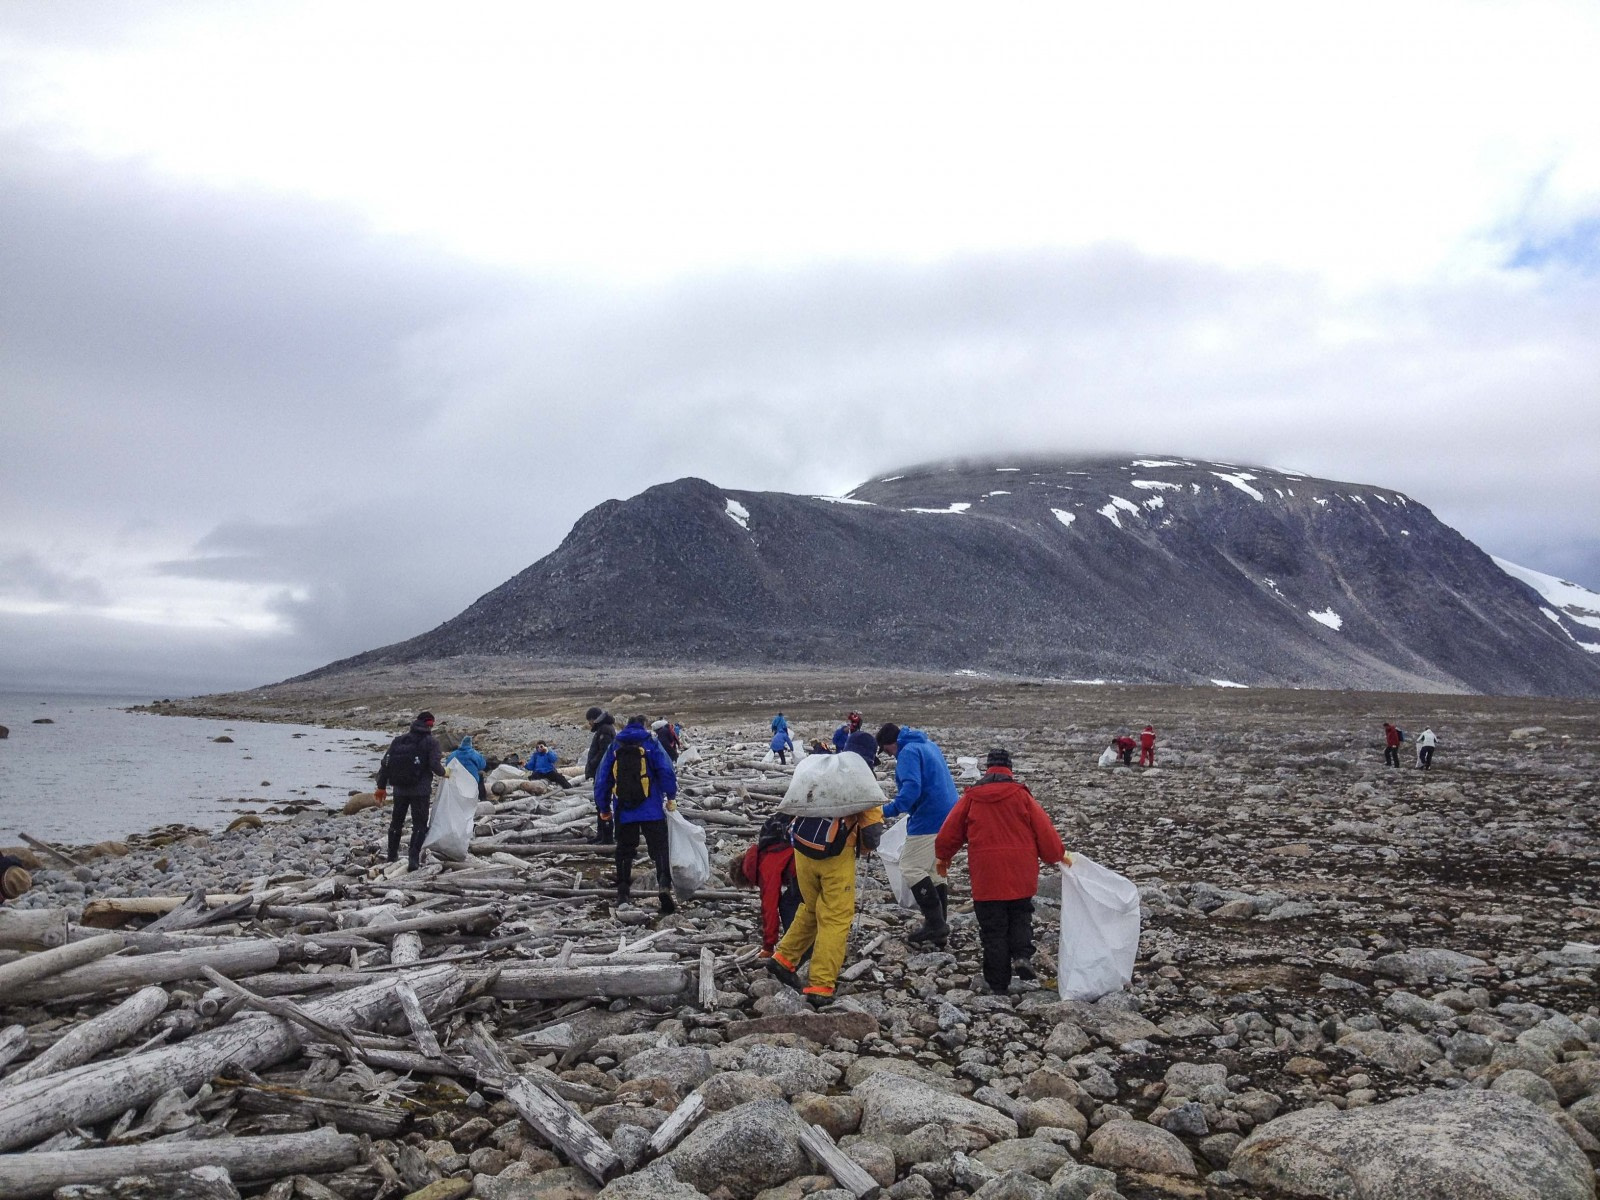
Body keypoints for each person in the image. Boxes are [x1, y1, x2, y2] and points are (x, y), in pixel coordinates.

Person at [935, 747, 1068, 994]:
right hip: (1020, 873)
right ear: (1010, 769)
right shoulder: (1022, 796)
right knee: (1020, 915)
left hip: (987, 876)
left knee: (993, 929)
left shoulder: (972, 798)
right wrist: (1057, 856)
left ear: (987, 769)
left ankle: (998, 985)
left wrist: (943, 857)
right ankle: (1021, 955)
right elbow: (1045, 832)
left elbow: (948, 833)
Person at [766, 754, 884, 1006]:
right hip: (835, 857)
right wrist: (863, 848)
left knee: (810, 907)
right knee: (835, 918)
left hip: (803, 852)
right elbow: (873, 833)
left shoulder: (818, 775)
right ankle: (820, 985)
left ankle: (783, 959)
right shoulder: (861, 782)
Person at [876, 721, 960, 946]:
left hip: (929, 817)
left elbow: (912, 789)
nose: (889, 755)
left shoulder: (908, 752)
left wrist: (886, 810)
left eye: (886, 750)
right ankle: (939, 927)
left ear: (890, 743)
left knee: (910, 866)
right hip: (949, 815)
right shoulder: (927, 744)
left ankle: (935, 923)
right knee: (934, 869)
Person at [594, 715, 680, 913]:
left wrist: (604, 808)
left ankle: (623, 893)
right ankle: (664, 886)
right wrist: (671, 796)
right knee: (660, 849)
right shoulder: (651, 743)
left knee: (624, 851)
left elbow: (602, 779)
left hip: (624, 810)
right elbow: (666, 770)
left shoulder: (615, 746)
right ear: (644, 725)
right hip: (652, 810)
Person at [375, 711, 447, 871]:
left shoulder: (399, 740)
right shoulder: (431, 742)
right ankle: (413, 859)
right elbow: (435, 765)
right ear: (431, 725)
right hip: (420, 790)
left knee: (396, 822)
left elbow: (386, 763)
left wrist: (381, 786)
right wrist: (445, 773)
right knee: (419, 825)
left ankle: (392, 855)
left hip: (399, 789)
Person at [731, 811, 801, 957]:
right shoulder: (767, 849)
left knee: (787, 906)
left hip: (804, 871)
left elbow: (770, 908)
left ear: (746, 878)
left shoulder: (764, 868)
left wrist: (768, 946)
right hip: (808, 861)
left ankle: (797, 949)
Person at [584, 707, 619, 844]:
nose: (589, 723)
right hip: (602, 772)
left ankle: (607, 837)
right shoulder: (605, 728)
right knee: (601, 804)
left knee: (603, 803)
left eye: (590, 720)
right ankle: (602, 834)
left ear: (595, 719)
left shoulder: (604, 730)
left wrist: (592, 764)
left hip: (604, 773)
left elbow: (604, 752)